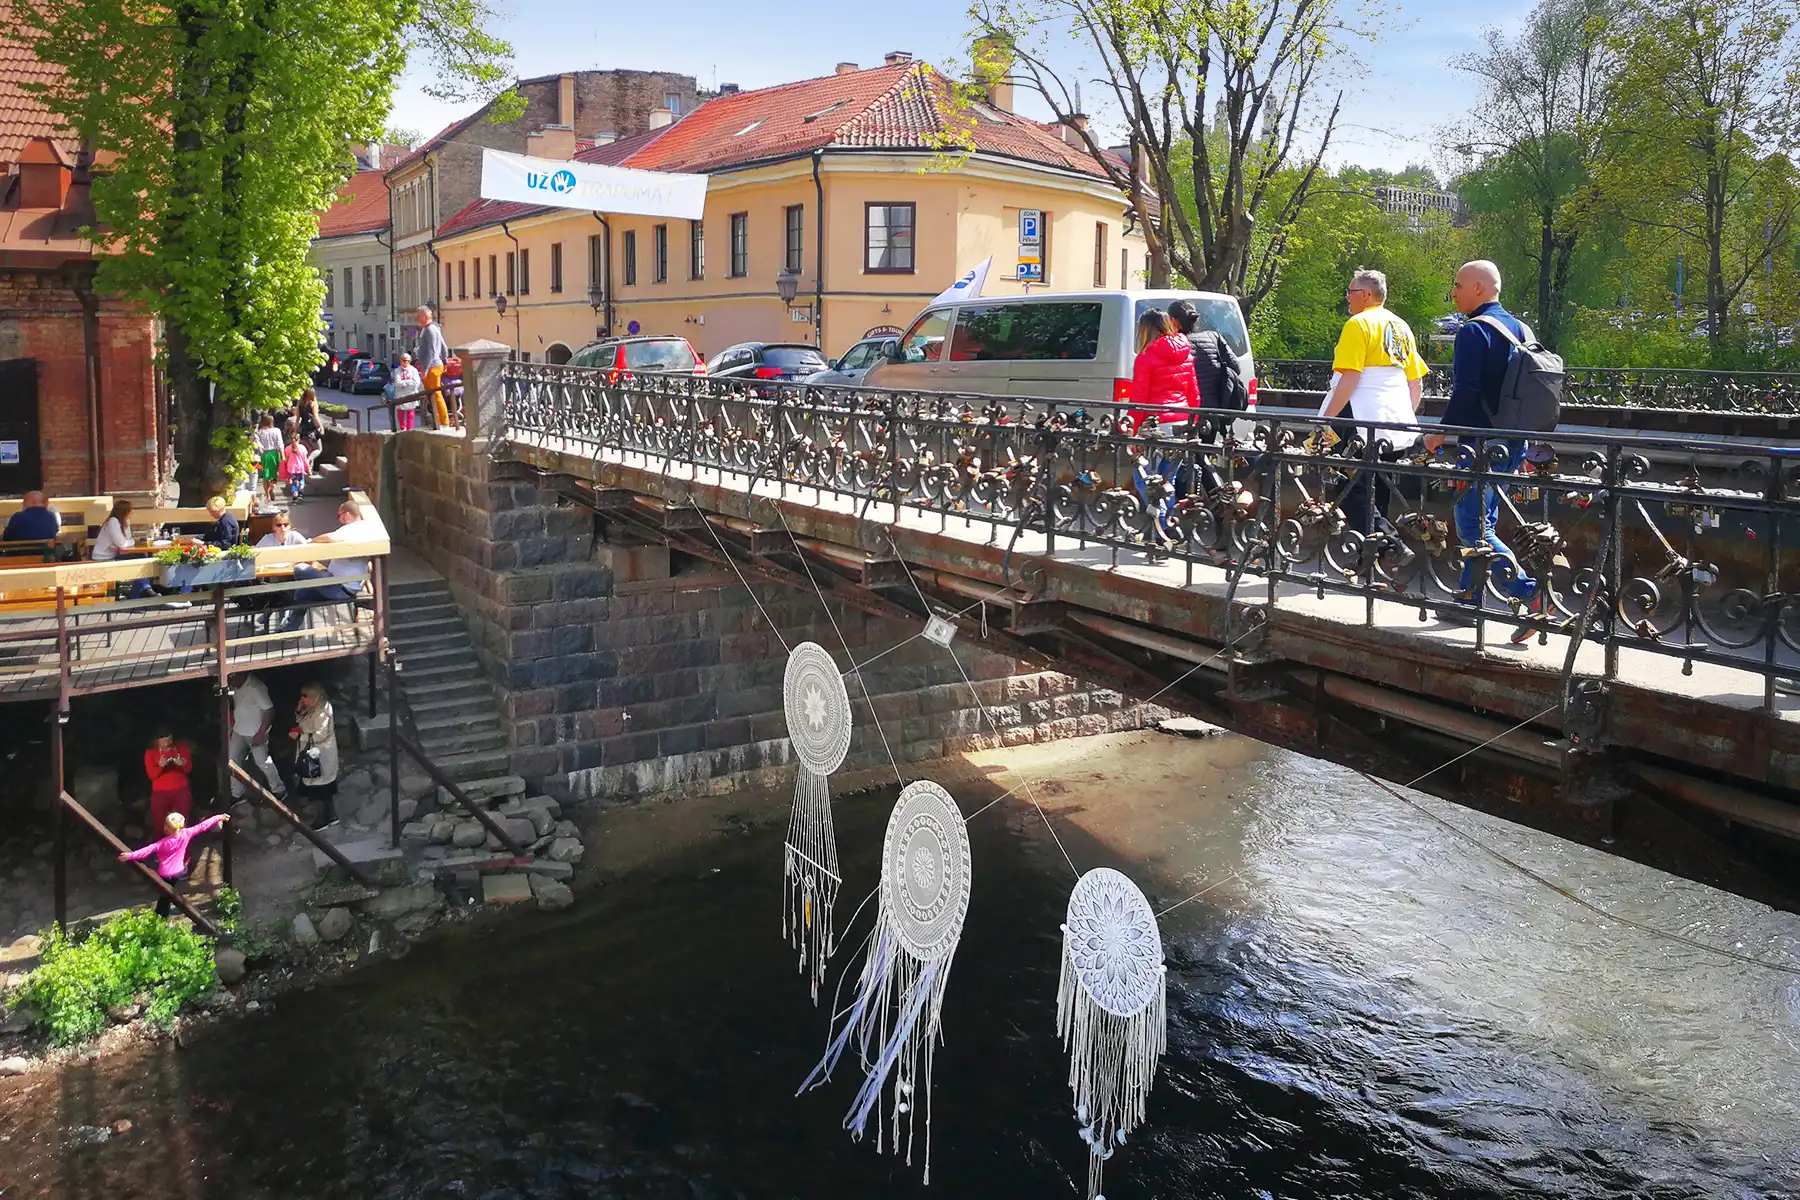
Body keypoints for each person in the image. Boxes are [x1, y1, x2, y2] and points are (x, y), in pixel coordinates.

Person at [1425, 259, 1540, 609]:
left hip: (1479, 446)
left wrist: (1440, 434)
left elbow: (1465, 392)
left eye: (1458, 286)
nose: (1453, 293)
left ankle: (1531, 593)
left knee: (1474, 528)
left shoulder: (1474, 331)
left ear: (1479, 288)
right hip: (1513, 444)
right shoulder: (1522, 331)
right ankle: (1469, 596)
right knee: (1482, 520)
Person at [1319, 269, 1428, 540]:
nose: (1347, 297)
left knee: (1348, 489)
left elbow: (1350, 378)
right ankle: (1371, 565)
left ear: (1366, 295)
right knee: (1380, 489)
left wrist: (1325, 421)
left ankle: (1388, 544)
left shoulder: (1358, 324)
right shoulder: (1401, 326)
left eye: (1351, 292)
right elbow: (1415, 383)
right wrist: (1406, 416)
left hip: (1361, 419)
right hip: (1395, 423)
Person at [279, 499, 375, 633]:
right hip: (348, 587)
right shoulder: (367, 528)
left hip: (339, 586)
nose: (339, 520)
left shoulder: (352, 528)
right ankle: (289, 628)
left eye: (339, 516)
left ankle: (284, 614)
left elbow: (331, 538)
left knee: (299, 569)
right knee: (303, 592)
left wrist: (311, 541)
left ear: (347, 514)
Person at [119, 811, 229, 919]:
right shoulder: (187, 833)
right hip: (179, 872)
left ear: (166, 828)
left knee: (164, 894)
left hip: (165, 874)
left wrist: (130, 855)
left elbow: (147, 850)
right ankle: (161, 913)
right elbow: (203, 826)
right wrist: (218, 817)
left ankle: (161, 915)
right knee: (167, 893)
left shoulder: (163, 843)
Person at [1127, 308, 1199, 434]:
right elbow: (1193, 393)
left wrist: (1132, 428)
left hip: (1155, 420)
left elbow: (1139, 399)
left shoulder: (1145, 357)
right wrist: (1194, 420)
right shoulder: (1186, 355)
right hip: (1183, 418)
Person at [227, 671, 287, 803]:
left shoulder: (256, 687)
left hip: (256, 731)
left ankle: (279, 790)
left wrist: (261, 733)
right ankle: (237, 793)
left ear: (239, 675)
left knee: (263, 762)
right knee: (231, 760)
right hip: (239, 730)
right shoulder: (237, 686)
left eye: (230, 677)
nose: (229, 681)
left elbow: (269, 710)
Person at [291, 682, 340, 830]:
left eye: (305, 696)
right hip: (315, 754)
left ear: (314, 697)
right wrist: (299, 709)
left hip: (321, 756)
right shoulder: (311, 709)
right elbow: (301, 721)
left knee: (320, 790)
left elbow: (321, 735)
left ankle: (322, 820)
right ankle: (331, 816)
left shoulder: (323, 712)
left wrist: (300, 736)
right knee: (324, 790)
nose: (302, 699)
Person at [252, 513, 308, 634]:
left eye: (285, 524)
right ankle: (278, 612)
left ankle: (272, 611)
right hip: (274, 574)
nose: (282, 527)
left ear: (290, 526)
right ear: (274, 527)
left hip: (292, 573)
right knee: (279, 584)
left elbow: (308, 550)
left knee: (287, 586)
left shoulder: (295, 536)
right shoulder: (267, 539)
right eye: (279, 525)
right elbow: (255, 553)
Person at [143, 731, 194, 839]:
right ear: (156, 741)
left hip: (181, 789)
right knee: (159, 824)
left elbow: (188, 769)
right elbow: (151, 775)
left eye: (168, 739)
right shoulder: (150, 753)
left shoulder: (182, 748)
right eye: (163, 740)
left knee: (181, 823)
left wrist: (182, 763)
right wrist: (160, 766)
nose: (166, 743)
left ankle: (183, 852)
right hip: (160, 792)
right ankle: (161, 851)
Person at [413, 305, 450, 429]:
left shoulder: (429, 330)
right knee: (432, 395)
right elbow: (444, 347)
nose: (416, 318)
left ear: (425, 315)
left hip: (432, 367)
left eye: (418, 315)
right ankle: (437, 420)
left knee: (435, 394)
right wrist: (444, 361)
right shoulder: (433, 329)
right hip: (435, 365)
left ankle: (444, 422)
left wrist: (425, 369)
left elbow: (432, 352)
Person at [253, 414, 283, 506]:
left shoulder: (258, 433)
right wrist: (283, 456)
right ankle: (272, 488)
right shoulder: (276, 430)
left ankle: (267, 494)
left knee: (265, 476)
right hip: (274, 454)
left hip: (264, 455)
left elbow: (257, 446)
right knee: (274, 474)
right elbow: (280, 444)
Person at [391, 352, 424, 431]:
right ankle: (402, 429)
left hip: (411, 394)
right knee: (401, 415)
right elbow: (398, 383)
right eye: (404, 360)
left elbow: (417, 382)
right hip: (400, 395)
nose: (406, 362)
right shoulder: (397, 371)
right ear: (400, 360)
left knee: (411, 414)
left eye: (408, 361)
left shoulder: (413, 370)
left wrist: (405, 383)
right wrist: (409, 382)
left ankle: (410, 430)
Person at [296, 387, 324, 468]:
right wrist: (321, 426)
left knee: (308, 450)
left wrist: (295, 430)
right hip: (312, 430)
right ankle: (308, 460)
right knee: (318, 449)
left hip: (303, 430)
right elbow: (315, 416)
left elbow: (297, 418)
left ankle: (309, 470)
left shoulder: (300, 404)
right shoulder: (313, 404)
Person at [280, 432, 311, 503]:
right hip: (300, 467)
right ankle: (300, 493)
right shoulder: (302, 448)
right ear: (299, 439)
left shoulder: (287, 448)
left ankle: (294, 494)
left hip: (292, 468)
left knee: (294, 482)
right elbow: (305, 459)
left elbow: (287, 459)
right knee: (301, 481)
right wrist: (308, 469)